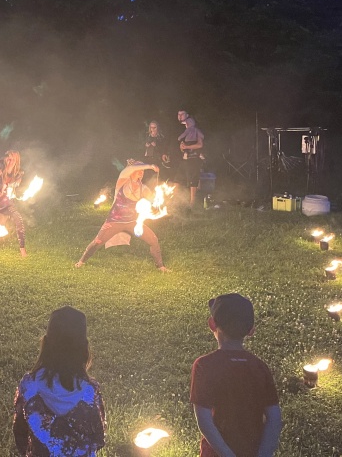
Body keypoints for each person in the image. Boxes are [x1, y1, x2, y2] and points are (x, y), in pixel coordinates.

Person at [190, 294, 282, 457]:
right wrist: (263, 454)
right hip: (251, 450)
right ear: (251, 330)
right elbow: (274, 418)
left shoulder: (204, 365)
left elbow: (204, 419)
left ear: (212, 324)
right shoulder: (259, 367)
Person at [13, 306, 106, 457]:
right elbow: (99, 438)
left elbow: (20, 433)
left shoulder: (29, 386)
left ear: (46, 344)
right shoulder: (90, 392)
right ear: (84, 349)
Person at [75, 161, 168, 271]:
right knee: (97, 242)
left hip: (133, 222)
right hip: (114, 221)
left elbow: (153, 200)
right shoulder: (122, 182)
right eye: (138, 170)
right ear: (132, 171)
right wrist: (150, 166)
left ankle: (160, 266)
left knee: (153, 240)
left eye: (142, 171)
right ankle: (81, 262)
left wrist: (157, 203)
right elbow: (131, 168)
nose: (141, 173)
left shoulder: (143, 188)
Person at [178, 116, 204, 208]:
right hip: (187, 159)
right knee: (188, 178)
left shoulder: (197, 132)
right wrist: (182, 147)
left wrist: (187, 147)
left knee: (194, 178)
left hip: (195, 158)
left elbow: (200, 145)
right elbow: (183, 147)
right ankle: (187, 199)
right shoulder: (185, 134)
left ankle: (193, 202)